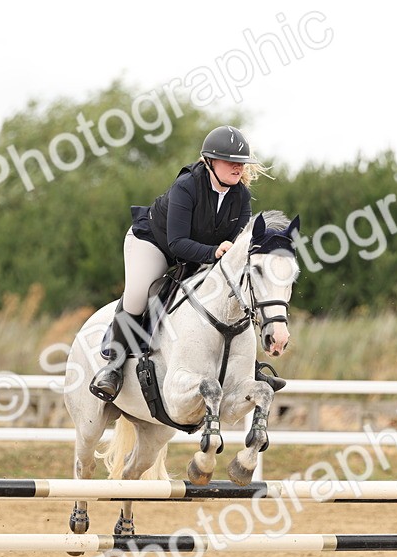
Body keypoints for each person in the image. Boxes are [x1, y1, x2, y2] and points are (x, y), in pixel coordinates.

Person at [89, 125, 284, 402]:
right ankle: (114, 367)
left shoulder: (240, 196)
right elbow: (177, 243)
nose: (238, 167)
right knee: (137, 295)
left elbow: (238, 246)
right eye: (230, 161)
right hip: (155, 243)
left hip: (201, 251)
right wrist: (215, 252)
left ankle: (247, 370)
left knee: (234, 296)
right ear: (210, 162)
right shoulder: (187, 186)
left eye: (241, 163)